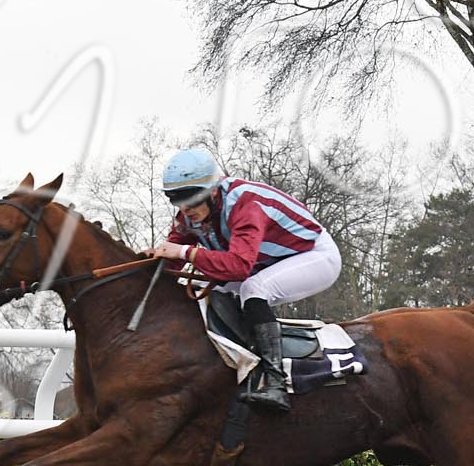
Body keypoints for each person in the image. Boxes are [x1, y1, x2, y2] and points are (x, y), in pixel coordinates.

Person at [142, 147, 341, 412]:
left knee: (253, 289)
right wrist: (150, 261)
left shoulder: (245, 205)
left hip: (314, 255)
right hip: (265, 261)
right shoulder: (190, 214)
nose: (185, 209)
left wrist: (185, 252)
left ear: (213, 191)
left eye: (191, 199)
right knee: (206, 288)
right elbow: (173, 260)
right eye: (177, 200)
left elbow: (238, 267)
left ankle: (276, 383)